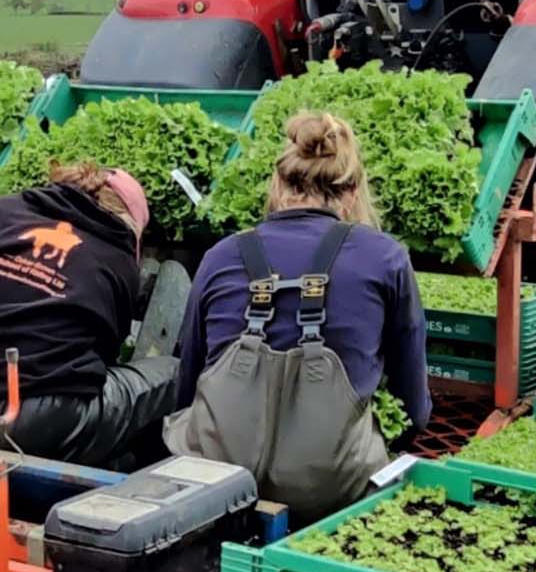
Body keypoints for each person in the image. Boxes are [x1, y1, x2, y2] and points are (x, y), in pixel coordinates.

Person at [166, 112, 431, 517]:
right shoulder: (385, 257)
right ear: (354, 190)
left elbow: (187, 383)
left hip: (218, 479)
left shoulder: (221, 256)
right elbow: (415, 407)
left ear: (276, 182)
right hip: (332, 490)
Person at [0, 164, 187, 469]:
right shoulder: (117, 258)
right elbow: (100, 359)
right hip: (30, 425)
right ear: (130, 220)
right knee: (173, 371)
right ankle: (138, 465)